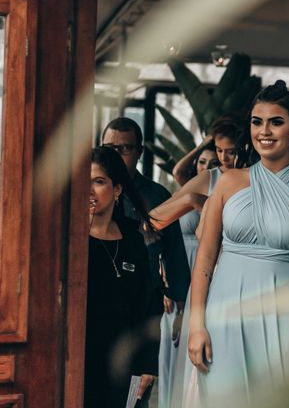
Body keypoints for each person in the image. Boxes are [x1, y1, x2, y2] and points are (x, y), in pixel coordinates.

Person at [185, 80, 289, 405]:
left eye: (276, 121)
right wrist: (196, 324)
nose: (265, 130)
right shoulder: (228, 182)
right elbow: (205, 260)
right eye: (257, 121)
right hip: (225, 318)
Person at [150, 117, 240, 408]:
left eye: (233, 150)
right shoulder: (208, 179)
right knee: (198, 355)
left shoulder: (252, 181)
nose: (227, 157)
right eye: (221, 150)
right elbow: (154, 219)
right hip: (201, 273)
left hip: (237, 274)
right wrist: (194, 199)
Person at [102, 117, 191, 402]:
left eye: (124, 149)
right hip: (100, 300)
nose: (116, 155)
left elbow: (175, 254)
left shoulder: (156, 195)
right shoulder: (87, 192)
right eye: (109, 148)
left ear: (139, 151)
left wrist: (180, 306)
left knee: (137, 388)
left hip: (144, 301)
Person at [86, 146, 157, 407]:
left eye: (99, 181)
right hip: (81, 357)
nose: (89, 190)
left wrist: (148, 364)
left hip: (124, 361)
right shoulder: (70, 241)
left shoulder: (133, 238)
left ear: (116, 190)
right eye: (84, 182)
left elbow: (149, 304)